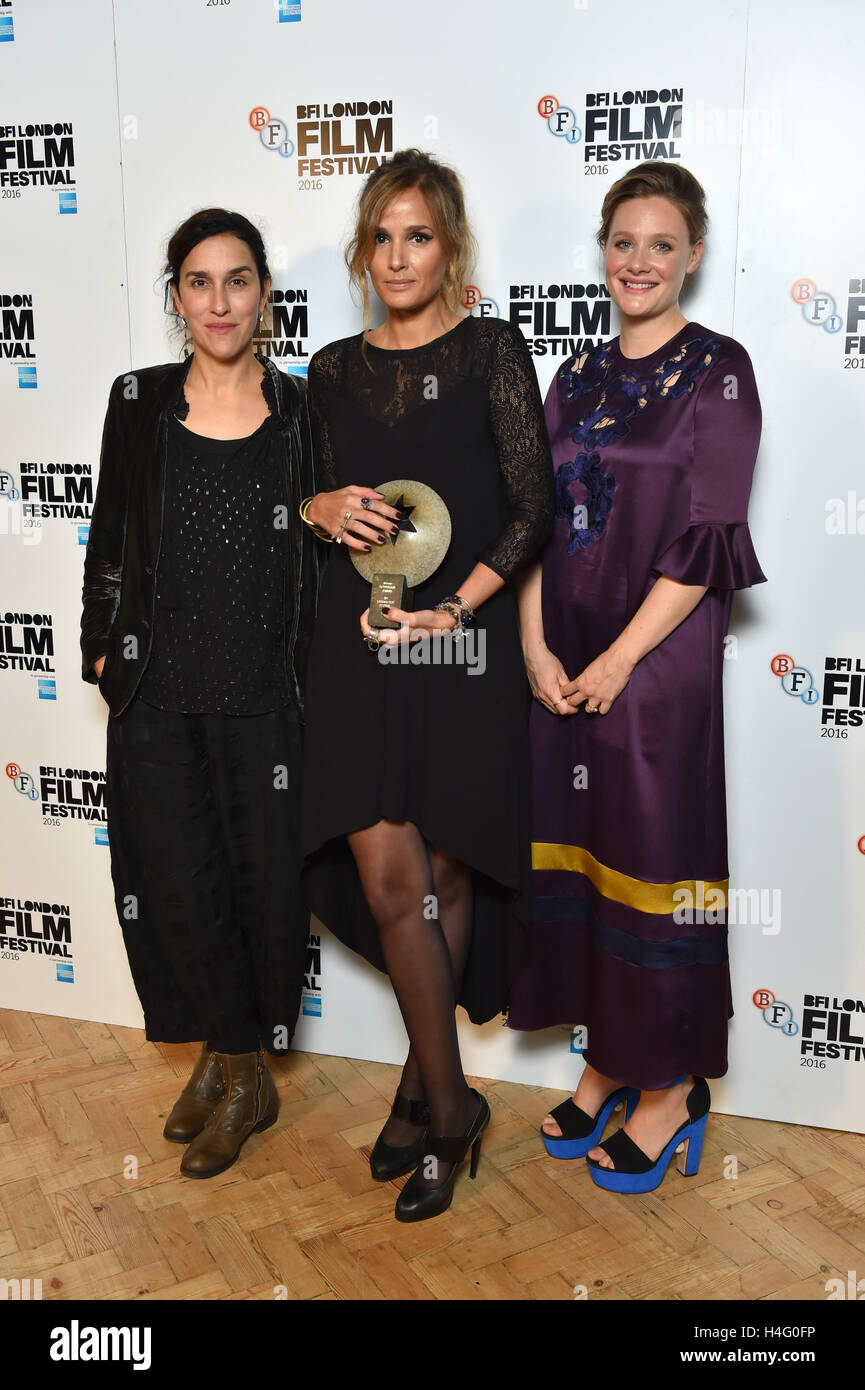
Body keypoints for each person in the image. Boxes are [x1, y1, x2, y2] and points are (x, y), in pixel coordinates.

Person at [300, 149, 554, 1222]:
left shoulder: (493, 349)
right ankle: (451, 1110)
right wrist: (318, 509)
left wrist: (455, 611)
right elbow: (302, 501)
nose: (398, 255)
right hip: (358, 650)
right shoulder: (329, 370)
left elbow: (531, 509)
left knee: (443, 886)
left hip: (458, 651)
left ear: (449, 248)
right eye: (382, 236)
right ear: (362, 252)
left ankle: (421, 1092)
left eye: (419, 234)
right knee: (391, 883)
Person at [508, 162, 766, 1194]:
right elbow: (530, 515)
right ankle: (607, 1055)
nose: (639, 262)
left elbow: (710, 536)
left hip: (654, 671)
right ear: (603, 252)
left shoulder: (723, 371)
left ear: (693, 255)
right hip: (560, 666)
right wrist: (533, 645)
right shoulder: (571, 375)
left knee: (659, 860)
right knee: (580, 859)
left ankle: (669, 1088)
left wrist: (618, 659)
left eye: (661, 244)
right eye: (623, 242)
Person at [80, 208, 318, 1179]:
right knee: (176, 885)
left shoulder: (303, 411)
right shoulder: (136, 401)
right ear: (176, 296)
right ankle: (227, 1060)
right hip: (160, 690)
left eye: (238, 280)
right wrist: (101, 644)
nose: (219, 301)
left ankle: (245, 1072)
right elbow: (108, 534)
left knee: (259, 890)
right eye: (198, 281)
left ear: (263, 293)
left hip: (265, 696)